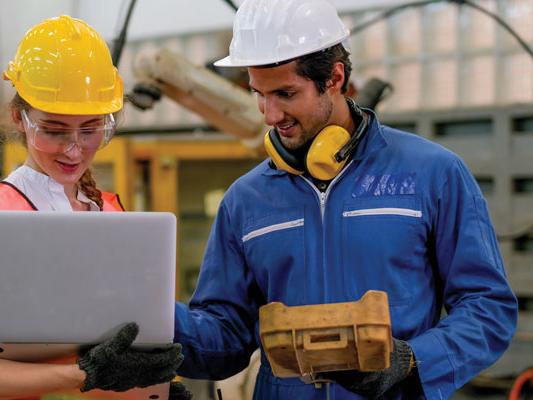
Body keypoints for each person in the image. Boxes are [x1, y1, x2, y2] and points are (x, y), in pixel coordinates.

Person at [173, 0, 518, 399]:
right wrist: (156, 321)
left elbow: (487, 307)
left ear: (334, 77)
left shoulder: (432, 174)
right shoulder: (245, 200)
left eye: (286, 93)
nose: (269, 115)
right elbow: (226, 334)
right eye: (259, 94)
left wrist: (412, 359)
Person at [0, 15, 188, 400]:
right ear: (20, 118)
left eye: (91, 128)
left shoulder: (112, 216)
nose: (73, 148)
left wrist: (153, 389)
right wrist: (81, 375)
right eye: (53, 129)